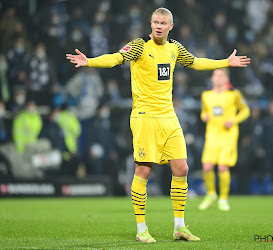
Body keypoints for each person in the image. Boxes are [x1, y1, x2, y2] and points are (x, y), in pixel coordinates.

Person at [66, 7, 250, 243]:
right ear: (150, 24)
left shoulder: (175, 48)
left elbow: (195, 62)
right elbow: (115, 58)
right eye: (155, 22)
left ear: (170, 26)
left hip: (169, 117)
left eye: (163, 23)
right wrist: (89, 62)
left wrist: (225, 62)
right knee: (143, 170)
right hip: (144, 117)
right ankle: (141, 228)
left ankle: (180, 227)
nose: (158, 26)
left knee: (182, 168)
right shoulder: (140, 46)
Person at [198, 68, 250, 211]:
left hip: (228, 135)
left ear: (226, 79)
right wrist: (204, 117)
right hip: (212, 135)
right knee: (207, 166)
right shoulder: (206, 95)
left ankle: (223, 198)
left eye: (221, 75)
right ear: (212, 78)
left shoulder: (234, 95)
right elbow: (204, 112)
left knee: (222, 166)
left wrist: (234, 120)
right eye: (215, 75)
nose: (218, 78)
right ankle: (211, 194)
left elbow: (245, 110)